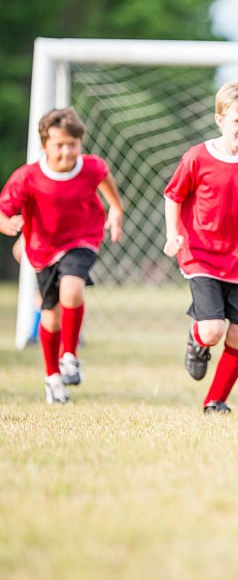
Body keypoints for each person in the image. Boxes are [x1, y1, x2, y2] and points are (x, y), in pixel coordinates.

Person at [163, 80, 238, 414]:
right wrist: (173, 234)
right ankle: (197, 338)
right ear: (220, 119)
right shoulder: (197, 157)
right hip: (202, 254)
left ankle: (215, 400)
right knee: (213, 330)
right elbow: (173, 195)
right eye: (237, 121)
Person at [0, 107, 124, 404]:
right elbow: (3, 213)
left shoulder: (91, 167)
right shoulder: (27, 177)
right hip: (43, 250)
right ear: (44, 146)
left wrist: (116, 211)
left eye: (73, 144)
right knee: (51, 318)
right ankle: (53, 377)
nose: (67, 151)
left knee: (73, 287)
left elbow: (105, 180)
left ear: (80, 144)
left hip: (83, 239)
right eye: (59, 145)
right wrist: (9, 225)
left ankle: (70, 356)